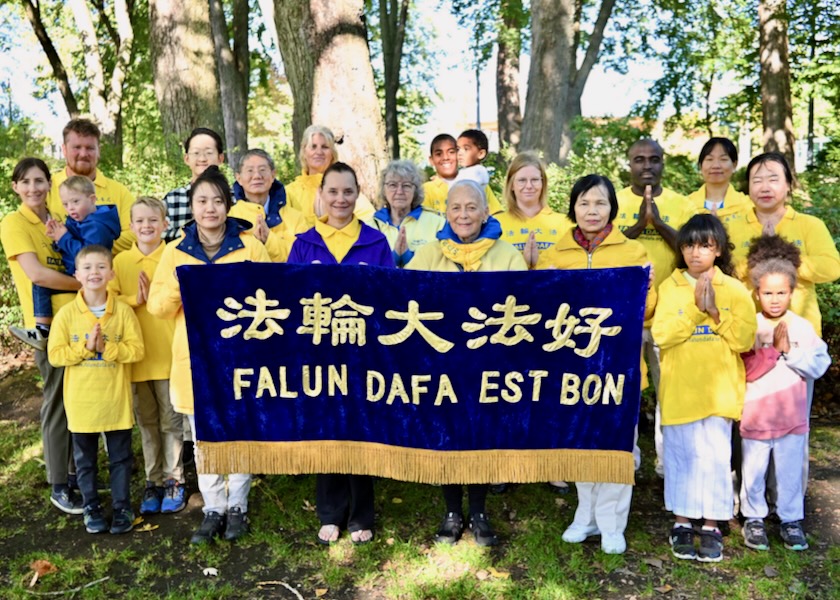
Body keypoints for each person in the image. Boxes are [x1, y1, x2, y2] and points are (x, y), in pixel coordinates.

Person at [147, 165, 270, 544]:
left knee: (240, 434)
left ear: (228, 205)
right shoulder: (175, 252)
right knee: (204, 440)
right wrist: (180, 287)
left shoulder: (250, 248)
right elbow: (157, 307)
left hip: (240, 359)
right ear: (192, 207)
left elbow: (273, 296)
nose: (210, 208)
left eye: (217, 201)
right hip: (195, 362)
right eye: (202, 201)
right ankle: (213, 507)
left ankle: (238, 507)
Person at [536, 174, 657, 554]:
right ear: (573, 207)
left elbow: (648, 310)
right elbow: (539, 311)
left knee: (617, 447)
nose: (592, 210)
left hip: (619, 368)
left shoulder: (633, 253)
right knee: (580, 443)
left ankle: (612, 524)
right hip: (571, 369)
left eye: (600, 203)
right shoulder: (555, 256)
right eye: (584, 203)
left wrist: (646, 288)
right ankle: (585, 516)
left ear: (612, 209)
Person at [407, 180, 526, 546]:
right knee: (447, 433)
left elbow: (522, 302)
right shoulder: (429, 253)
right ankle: (451, 512)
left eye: (471, 207)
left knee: (480, 433)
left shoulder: (507, 255)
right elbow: (402, 292)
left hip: (487, 361)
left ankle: (478, 511)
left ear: (485, 212)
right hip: (441, 361)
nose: (463, 215)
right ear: (446, 213)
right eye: (456, 208)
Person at [288, 162, 394, 545]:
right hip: (319, 353)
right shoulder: (304, 243)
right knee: (327, 430)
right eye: (332, 191)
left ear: (358, 194)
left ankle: (361, 515)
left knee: (360, 429)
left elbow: (390, 298)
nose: (340, 199)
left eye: (348, 191)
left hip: (363, 353)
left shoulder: (375, 243)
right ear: (321, 194)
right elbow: (291, 299)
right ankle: (330, 512)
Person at [652, 214, 757, 562]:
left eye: (705, 246)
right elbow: (662, 335)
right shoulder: (670, 287)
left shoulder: (735, 290)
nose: (695, 253)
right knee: (680, 458)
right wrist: (696, 311)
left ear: (719, 250)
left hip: (719, 394)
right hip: (679, 391)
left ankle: (712, 524)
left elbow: (744, 340)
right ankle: (682, 522)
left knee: (714, 459)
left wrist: (715, 313)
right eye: (689, 245)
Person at [1, 158, 82, 514]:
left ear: (50, 183)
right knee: (58, 402)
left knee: (79, 401)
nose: (33, 188)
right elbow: (37, 275)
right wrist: (85, 283)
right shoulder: (14, 223)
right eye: (25, 182)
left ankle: (78, 474)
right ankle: (59, 483)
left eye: (39, 181)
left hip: (80, 322)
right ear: (15, 187)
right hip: (50, 330)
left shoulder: (59, 219)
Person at [739, 236, 830, 552]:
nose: (775, 299)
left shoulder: (802, 327)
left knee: (789, 473)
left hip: (791, 418)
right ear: (757, 293)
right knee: (753, 472)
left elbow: (818, 365)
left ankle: (791, 520)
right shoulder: (750, 326)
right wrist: (772, 351)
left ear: (792, 292)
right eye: (768, 293)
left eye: (781, 293)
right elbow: (744, 370)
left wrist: (790, 352)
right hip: (756, 416)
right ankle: (753, 518)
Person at [47, 245, 145, 534]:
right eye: (87, 268)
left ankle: (122, 507)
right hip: (81, 402)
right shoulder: (66, 314)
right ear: (76, 274)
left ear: (111, 274)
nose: (94, 273)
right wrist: (86, 349)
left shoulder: (123, 312)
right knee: (85, 461)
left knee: (121, 458)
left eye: (101, 267)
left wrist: (107, 348)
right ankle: (91, 506)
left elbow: (137, 350)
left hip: (115, 400)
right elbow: (55, 355)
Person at [614, 138, 695, 478]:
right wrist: (638, 226)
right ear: (629, 164)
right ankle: (625, 460)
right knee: (625, 390)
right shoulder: (613, 200)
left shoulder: (683, 204)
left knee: (670, 393)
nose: (646, 165)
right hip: (625, 314)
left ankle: (668, 464)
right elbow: (606, 249)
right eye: (639, 159)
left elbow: (694, 251)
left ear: (663, 163)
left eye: (654, 159)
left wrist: (659, 224)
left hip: (670, 315)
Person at [109, 197, 184, 515]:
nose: (146, 226)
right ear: (130, 226)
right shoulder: (121, 262)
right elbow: (108, 303)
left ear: (165, 224)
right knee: (147, 424)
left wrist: (157, 295)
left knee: (171, 423)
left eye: (153, 220)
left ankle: (174, 479)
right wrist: (135, 299)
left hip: (168, 355)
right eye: (139, 221)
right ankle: (152, 482)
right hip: (137, 358)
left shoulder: (174, 255)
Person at [728, 152, 840, 337]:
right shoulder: (731, 227)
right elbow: (723, 273)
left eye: (773, 180)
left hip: (801, 333)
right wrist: (755, 259)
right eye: (757, 181)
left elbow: (833, 267)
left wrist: (784, 256)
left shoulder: (810, 225)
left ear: (788, 184)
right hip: (746, 333)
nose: (765, 187)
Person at [9, 176, 120, 350]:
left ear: (92, 199)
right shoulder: (81, 220)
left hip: (89, 276)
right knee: (42, 285)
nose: (70, 208)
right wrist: (57, 237)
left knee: (42, 285)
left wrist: (64, 237)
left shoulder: (97, 226)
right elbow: (71, 245)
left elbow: (88, 256)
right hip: (78, 274)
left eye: (75, 202)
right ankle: (42, 330)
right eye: (66, 204)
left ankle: (42, 332)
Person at [46, 118, 135, 252]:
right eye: (77, 147)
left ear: (99, 150)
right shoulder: (48, 188)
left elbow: (134, 234)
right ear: (64, 149)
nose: (83, 154)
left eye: (90, 148)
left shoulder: (119, 191)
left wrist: (95, 247)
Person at [285, 125, 375, 227]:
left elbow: (370, 225)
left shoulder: (347, 190)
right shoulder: (289, 193)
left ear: (332, 154)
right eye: (313, 147)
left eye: (325, 147)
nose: (319, 152)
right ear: (304, 152)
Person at [497, 152, 573, 270]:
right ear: (511, 185)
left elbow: (573, 267)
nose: (529, 186)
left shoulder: (565, 223)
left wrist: (540, 264)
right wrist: (523, 263)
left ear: (543, 183)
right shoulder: (496, 224)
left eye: (535, 180)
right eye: (522, 180)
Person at [229, 149, 306, 262]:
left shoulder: (296, 218)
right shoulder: (229, 217)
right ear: (238, 178)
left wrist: (269, 240)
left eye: (262, 170)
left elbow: (304, 256)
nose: (257, 176)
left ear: (273, 175)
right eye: (250, 170)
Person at [371, 160, 444, 267]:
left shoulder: (437, 223)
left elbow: (442, 267)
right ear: (384, 190)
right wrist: (393, 258)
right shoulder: (371, 225)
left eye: (406, 185)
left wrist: (409, 258)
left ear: (415, 190)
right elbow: (365, 268)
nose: (399, 191)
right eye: (393, 185)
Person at [162, 127, 226, 243]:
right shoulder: (173, 199)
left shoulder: (233, 198)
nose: (202, 159)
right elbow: (158, 237)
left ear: (220, 158)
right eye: (196, 153)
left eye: (209, 153)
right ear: (186, 159)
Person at [422, 133, 504, 215]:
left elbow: (497, 214)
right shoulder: (426, 190)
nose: (446, 158)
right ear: (431, 160)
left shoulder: (476, 183)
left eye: (451, 152)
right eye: (439, 154)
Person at [686, 137, 751, 227]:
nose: (716, 165)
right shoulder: (687, 204)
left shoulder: (748, 205)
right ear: (700, 166)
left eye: (723, 159)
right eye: (709, 159)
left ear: (734, 165)